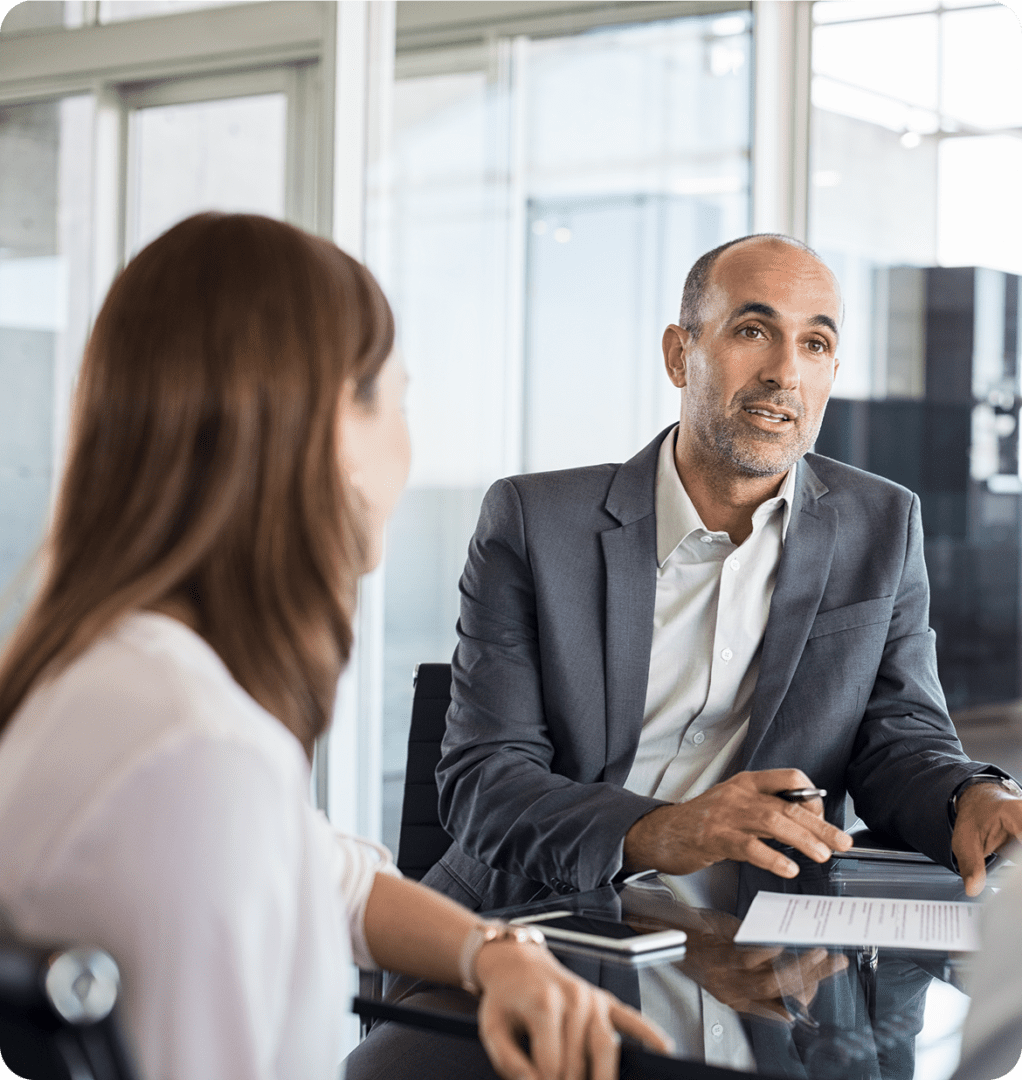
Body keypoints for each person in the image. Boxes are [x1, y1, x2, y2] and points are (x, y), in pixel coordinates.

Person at [0, 213, 671, 1080]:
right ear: (329, 432)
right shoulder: (199, 755)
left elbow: (320, 876)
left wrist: (493, 954)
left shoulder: (110, 678)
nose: (409, 444)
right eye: (399, 399)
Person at [424, 232, 1022, 917]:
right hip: (534, 927)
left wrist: (973, 798)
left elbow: (902, 745)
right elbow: (486, 783)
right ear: (681, 355)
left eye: (815, 344)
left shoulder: (882, 525)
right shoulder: (534, 524)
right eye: (752, 330)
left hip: (763, 943)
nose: (785, 372)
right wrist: (666, 830)